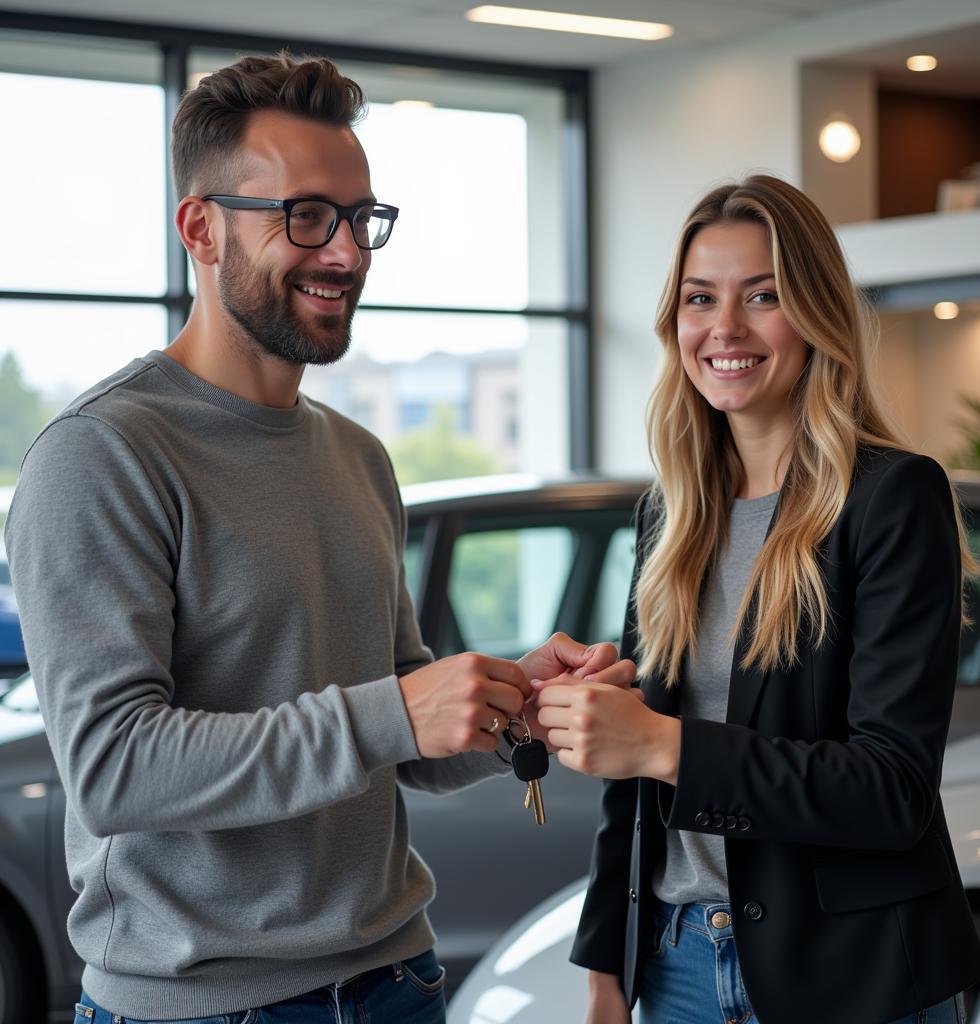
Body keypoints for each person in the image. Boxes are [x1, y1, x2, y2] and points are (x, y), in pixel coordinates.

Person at [3, 54, 634, 1024]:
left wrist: (512, 705)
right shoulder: (102, 456)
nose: (345, 252)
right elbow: (114, 766)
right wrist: (395, 710)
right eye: (305, 216)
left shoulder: (358, 455)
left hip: (396, 978)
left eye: (360, 218)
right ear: (200, 227)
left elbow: (402, 738)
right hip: (199, 1008)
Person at [535, 175, 980, 1024]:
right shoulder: (667, 513)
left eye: (763, 296)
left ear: (816, 314)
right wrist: (607, 970)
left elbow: (891, 791)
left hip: (851, 978)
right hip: (675, 970)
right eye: (700, 299)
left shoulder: (891, 497)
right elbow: (631, 785)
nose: (725, 329)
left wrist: (666, 744)